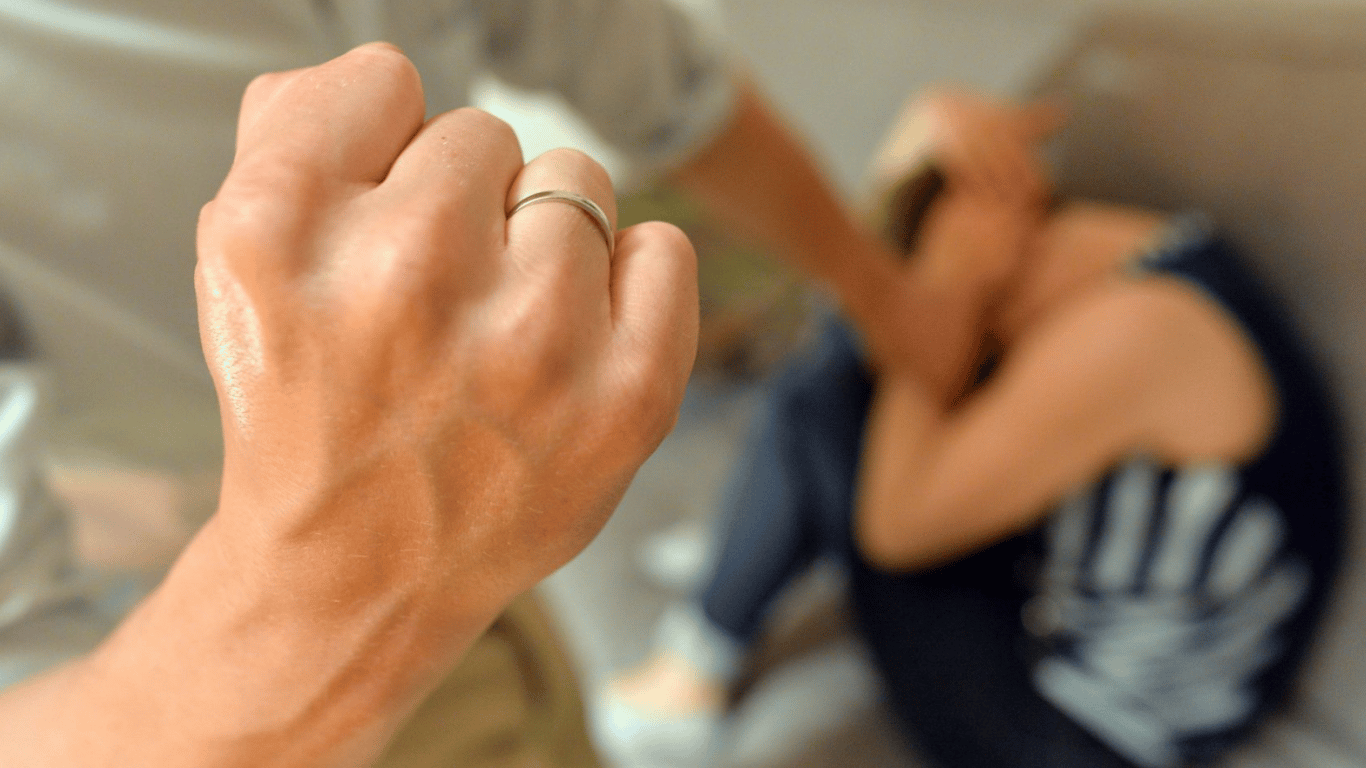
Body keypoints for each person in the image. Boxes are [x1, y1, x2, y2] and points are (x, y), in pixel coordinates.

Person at [0, 2, 913, 765]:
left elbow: (663, 80)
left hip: (475, 533)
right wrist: (336, 579)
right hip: (163, 647)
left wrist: (889, 303)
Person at [599, 88, 1346, 768]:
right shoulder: (1132, 258)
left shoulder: (1128, 338)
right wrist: (920, 134)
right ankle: (750, 564)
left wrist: (948, 288)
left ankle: (690, 671)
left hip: (1085, 732)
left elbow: (896, 528)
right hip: (1066, 607)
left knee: (831, 384)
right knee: (858, 351)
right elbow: (891, 284)